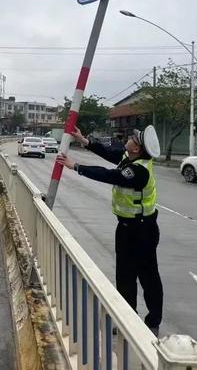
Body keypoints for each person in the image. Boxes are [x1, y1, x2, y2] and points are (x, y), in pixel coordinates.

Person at [55, 125, 163, 336]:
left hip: (143, 231)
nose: (129, 138)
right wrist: (84, 140)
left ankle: (153, 321)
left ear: (136, 149)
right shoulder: (129, 158)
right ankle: (127, 320)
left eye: (133, 138)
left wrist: (75, 166)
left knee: (148, 277)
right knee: (124, 276)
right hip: (125, 228)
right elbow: (109, 154)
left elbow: (109, 175)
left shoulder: (139, 170)